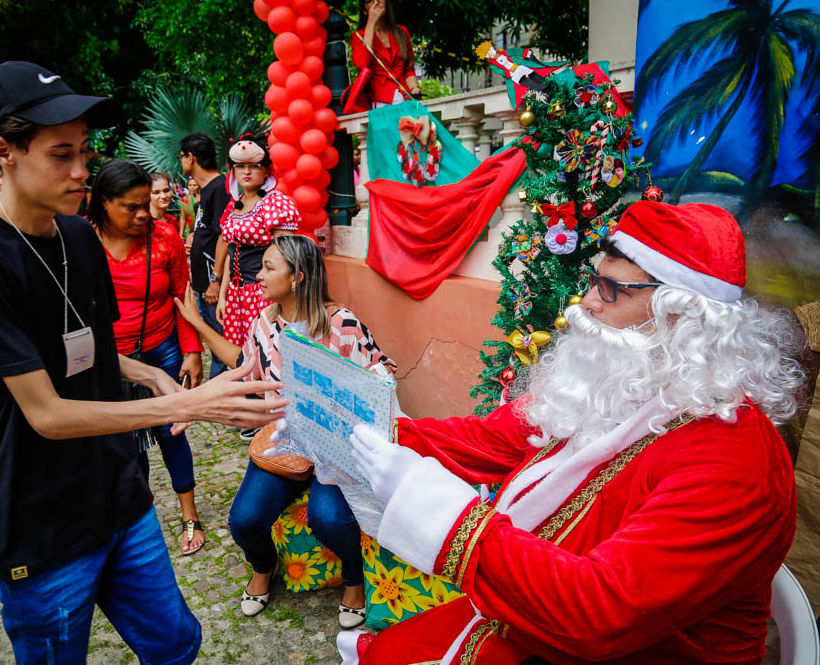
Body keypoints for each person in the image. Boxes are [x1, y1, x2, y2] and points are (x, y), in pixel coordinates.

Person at [335, 201, 804, 663]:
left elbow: (602, 611)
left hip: (621, 646)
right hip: (538, 618)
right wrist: (347, 422)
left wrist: (439, 513)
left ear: (681, 316)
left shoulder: (735, 461)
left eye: (610, 289)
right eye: (594, 282)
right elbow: (492, 439)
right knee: (391, 651)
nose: (588, 303)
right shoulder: (617, 384)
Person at [0, 60, 286, 663]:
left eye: (84, 151)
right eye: (61, 155)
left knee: (177, 644)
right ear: (2, 152)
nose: (81, 171)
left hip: (120, 495)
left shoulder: (77, 237)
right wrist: (185, 402)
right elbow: (46, 413)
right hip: (42, 520)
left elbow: (92, 347)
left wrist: (151, 371)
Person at [175, 234, 397, 628]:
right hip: (284, 443)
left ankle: (354, 578)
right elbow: (242, 367)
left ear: (298, 277)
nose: (258, 276)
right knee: (243, 520)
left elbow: (380, 380)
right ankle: (264, 567)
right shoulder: (265, 323)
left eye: (269, 268)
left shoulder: (341, 324)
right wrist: (197, 328)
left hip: (336, 449)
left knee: (328, 518)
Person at [88, 159, 206, 555]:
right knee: (126, 441)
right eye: (131, 207)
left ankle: (189, 514)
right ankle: (142, 520)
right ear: (104, 203)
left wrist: (191, 350)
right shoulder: (81, 241)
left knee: (172, 432)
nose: (143, 214)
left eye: (146, 205)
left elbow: (180, 296)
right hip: (107, 360)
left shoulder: (166, 236)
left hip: (161, 346)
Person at [217, 135, 301, 349]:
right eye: (240, 166)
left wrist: (284, 299)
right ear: (233, 171)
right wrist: (222, 296)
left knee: (268, 351)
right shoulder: (233, 205)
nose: (246, 172)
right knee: (241, 355)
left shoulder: (274, 202)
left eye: (254, 166)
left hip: (264, 293)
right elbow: (230, 251)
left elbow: (288, 256)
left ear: (266, 170)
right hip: (237, 295)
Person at [181, 132, 229, 379]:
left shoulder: (219, 187)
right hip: (203, 281)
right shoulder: (205, 191)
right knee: (213, 335)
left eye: (182, 157)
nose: (181, 162)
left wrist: (215, 279)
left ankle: (221, 388)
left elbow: (224, 235)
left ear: (191, 158)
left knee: (219, 338)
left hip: (214, 283)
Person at [351, 0, 419, 107]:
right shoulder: (358, 36)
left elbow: (409, 69)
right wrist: (371, 22)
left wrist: (414, 88)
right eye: (369, 1)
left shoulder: (402, 32)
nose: (376, 3)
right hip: (380, 100)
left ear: (387, 3)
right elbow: (362, 64)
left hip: (406, 96)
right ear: (364, 11)